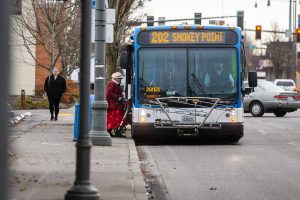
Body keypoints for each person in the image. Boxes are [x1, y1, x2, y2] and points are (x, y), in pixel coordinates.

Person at [106, 72, 127, 138]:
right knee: (114, 119)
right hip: (114, 106)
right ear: (116, 78)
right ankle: (112, 131)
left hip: (115, 105)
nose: (120, 80)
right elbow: (108, 94)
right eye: (119, 78)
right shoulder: (112, 84)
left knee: (115, 119)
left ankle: (112, 131)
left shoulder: (114, 84)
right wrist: (118, 97)